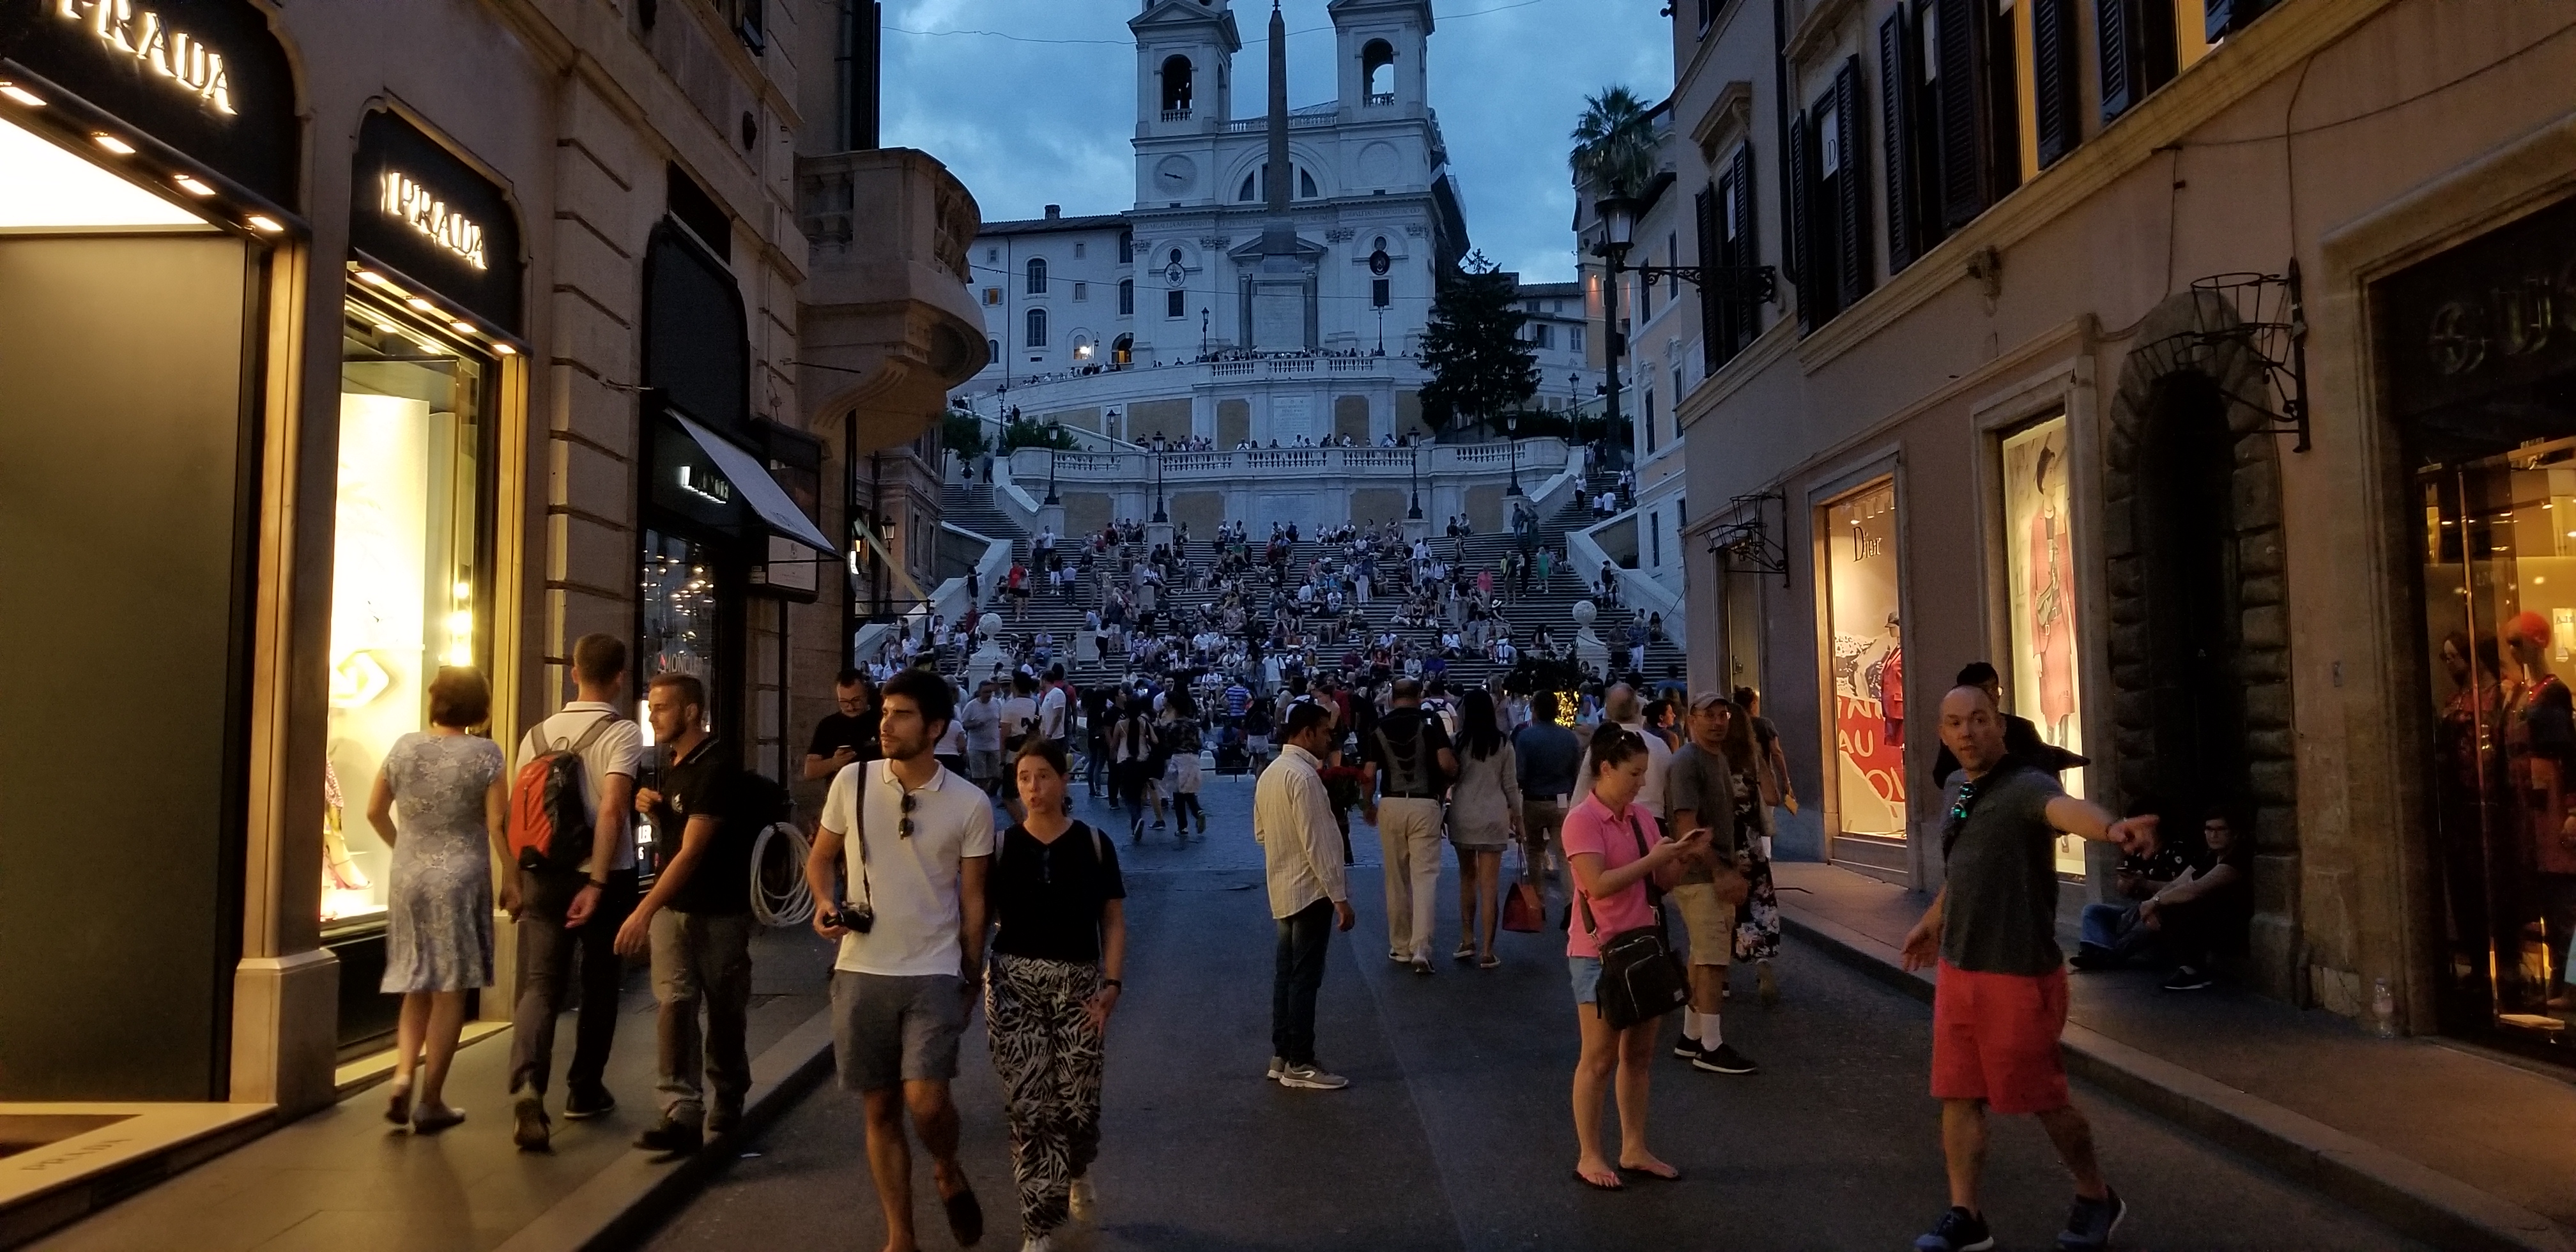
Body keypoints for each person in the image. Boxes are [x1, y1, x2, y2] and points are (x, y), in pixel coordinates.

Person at [1901, 683, 2159, 1252]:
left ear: (1999, 726)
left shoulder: (2025, 786)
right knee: (1959, 1095)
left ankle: (2097, 1195)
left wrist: (2112, 830)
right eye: (1954, 724)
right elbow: (1966, 865)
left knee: (2043, 1099)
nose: (1967, 733)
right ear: (1943, 732)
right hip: (1960, 970)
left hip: (2017, 975)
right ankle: (1965, 1215)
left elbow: (2065, 811)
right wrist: (1934, 919)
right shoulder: (1961, 791)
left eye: (1978, 721)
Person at [804, 668, 994, 1252]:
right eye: (884, 712)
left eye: (901, 714)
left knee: (926, 1100)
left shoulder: (970, 803)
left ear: (935, 727)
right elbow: (821, 858)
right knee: (880, 1106)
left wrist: (971, 971)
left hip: (934, 968)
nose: (885, 723)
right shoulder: (852, 782)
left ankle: (946, 1164)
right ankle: (900, 1237)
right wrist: (824, 901)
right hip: (861, 968)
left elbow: (974, 897)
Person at [983, 742, 1126, 1251]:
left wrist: (1112, 983)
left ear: (1065, 781)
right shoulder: (1001, 847)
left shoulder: (1093, 844)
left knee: (1078, 1103)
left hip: (1080, 984)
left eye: (1043, 776)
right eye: (1024, 778)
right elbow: (977, 916)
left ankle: (1078, 1167)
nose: (1033, 788)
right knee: (1030, 1106)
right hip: (1013, 984)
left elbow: (1111, 918)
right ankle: (1037, 1224)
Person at [509, 634, 645, 1152]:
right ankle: (584, 1089)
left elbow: (520, 811)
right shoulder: (621, 731)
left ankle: (527, 1086)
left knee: (541, 984)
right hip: (602, 877)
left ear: (572, 672)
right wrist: (597, 879)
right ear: (618, 678)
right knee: (600, 985)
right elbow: (612, 809)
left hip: (542, 873)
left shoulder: (537, 734)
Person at [616, 671, 761, 1154]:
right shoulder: (673, 764)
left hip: (718, 909)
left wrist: (643, 909)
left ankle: (730, 1092)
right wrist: (659, 816)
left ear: (691, 711)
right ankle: (680, 1110)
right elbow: (677, 839)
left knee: (723, 1007)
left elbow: (695, 850)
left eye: (661, 707)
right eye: (651, 707)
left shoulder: (715, 765)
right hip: (675, 909)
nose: (652, 716)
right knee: (674, 1004)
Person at [1565, 724, 1710, 1190]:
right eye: (1633, 773)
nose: (1641, 783)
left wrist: (1683, 857)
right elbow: (1597, 885)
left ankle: (1634, 1146)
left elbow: (1660, 883)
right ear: (1605, 769)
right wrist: (1655, 861)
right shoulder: (1582, 820)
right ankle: (1590, 1154)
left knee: (1641, 1054)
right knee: (1599, 1057)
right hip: (1598, 951)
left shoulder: (1641, 819)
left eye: (1644, 773)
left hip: (1643, 944)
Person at [367, 666, 511, 1133]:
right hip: (463, 874)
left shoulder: (404, 747)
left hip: (409, 875)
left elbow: (373, 810)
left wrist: (405, 848)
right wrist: (512, 875)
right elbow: (495, 825)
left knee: (416, 981)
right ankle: (431, 1099)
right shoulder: (486, 753)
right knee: (451, 988)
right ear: (480, 707)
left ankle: (403, 1073)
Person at [1254, 700, 1357, 1090]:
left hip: (1282, 884)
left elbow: (1261, 834)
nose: (1329, 737)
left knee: (1286, 974)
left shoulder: (1270, 774)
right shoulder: (1304, 777)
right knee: (1304, 978)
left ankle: (1283, 1053)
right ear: (1307, 733)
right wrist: (1340, 896)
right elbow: (1321, 843)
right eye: (1325, 731)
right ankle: (1301, 1059)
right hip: (1310, 888)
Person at [1660, 693, 1756, 1074]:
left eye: (1724, 715)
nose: (1718, 722)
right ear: (1691, 720)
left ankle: (1692, 1035)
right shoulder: (1687, 762)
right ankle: (1711, 1047)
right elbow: (1687, 827)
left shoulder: (1716, 758)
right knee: (1714, 958)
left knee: (1702, 954)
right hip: (1701, 875)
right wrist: (1720, 871)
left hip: (1709, 870)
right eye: (1709, 716)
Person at [1360, 678, 1457, 974]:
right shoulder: (1431, 722)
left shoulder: (1377, 727)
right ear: (1419, 696)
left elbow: (1368, 772)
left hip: (1390, 802)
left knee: (1396, 878)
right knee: (1425, 876)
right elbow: (1446, 765)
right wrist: (1454, 775)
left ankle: (1400, 945)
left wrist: (1367, 805)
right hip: (1424, 802)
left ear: (1392, 697)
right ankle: (1421, 948)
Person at [2138, 806, 2251, 991]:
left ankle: (2193, 970)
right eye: (2209, 829)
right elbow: (2178, 883)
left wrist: (2155, 903)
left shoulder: (2238, 858)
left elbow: (2196, 889)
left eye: (2220, 829)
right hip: (2213, 922)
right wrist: (2151, 904)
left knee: (2179, 905)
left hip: (2234, 926)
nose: (2213, 835)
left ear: (2235, 833)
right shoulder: (2209, 856)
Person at [1446, 689, 1520, 968]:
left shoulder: (1458, 742)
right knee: (1490, 886)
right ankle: (1488, 949)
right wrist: (1519, 819)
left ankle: (1467, 939)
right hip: (1493, 815)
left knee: (1467, 879)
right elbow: (1511, 785)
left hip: (1464, 813)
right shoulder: (1503, 744)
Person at [1931, 661, 2089, 788]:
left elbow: (2044, 768)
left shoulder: (2021, 728)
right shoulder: (1956, 781)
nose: (1966, 733)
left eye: (1995, 689)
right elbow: (1942, 775)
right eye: (1985, 690)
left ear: (2000, 726)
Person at [1514, 694, 1583, 892]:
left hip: (1534, 799)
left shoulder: (1525, 737)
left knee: (1535, 853)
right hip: (1562, 799)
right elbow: (1575, 771)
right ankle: (1570, 901)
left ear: (1535, 710)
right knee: (1564, 854)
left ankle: (1538, 902)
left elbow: (1521, 773)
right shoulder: (1569, 737)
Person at [1733, 686, 1798, 817]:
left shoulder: (1732, 725)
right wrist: (1786, 781)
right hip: (1763, 779)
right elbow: (1776, 752)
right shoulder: (1764, 724)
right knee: (1765, 818)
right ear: (1753, 704)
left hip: (1738, 781)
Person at [807, 670, 881, 781]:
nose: (851, 707)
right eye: (844, 702)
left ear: (866, 694)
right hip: (842, 793)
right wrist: (834, 763)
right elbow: (810, 771)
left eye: (856, 700)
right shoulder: (828, 725)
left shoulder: (881, 720)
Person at [1110, 693, 1159, 842]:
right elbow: (1155, 741)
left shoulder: (1120, 725)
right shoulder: (1144, 723)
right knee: (1138, 795)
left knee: (1127, 795)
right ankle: (1136, 824)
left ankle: (1136, 819)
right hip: (1142, 761)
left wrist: (1112, 756)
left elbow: (1114, 745)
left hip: (1126, 762)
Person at [1162, 689, 1207, 839]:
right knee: (1188, 790)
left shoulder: (1172, 726)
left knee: (1177, 793)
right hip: (1193, 758)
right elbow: (1199, 743)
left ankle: (1183, 826)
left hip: (1178, 758)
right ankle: (1197, 812)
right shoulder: (1194, 725)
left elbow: (1167, 744)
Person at [962, 680, 1004, 793]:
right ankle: (982, 796)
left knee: (996, 775)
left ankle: (989, 794)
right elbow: (963, 724)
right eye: (986, 692)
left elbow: (1001, 720)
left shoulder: (996, 703)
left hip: (993, 745)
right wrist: (975, 724)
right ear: (980, 692)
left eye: (990, 692)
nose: (988, 695)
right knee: (980, 777)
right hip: (977, 746)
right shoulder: (971, 706)